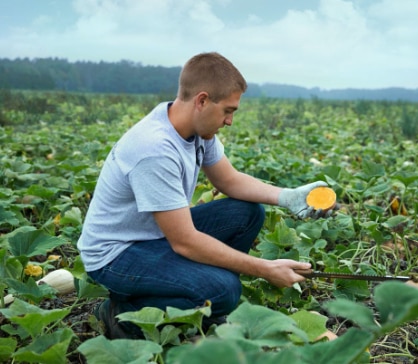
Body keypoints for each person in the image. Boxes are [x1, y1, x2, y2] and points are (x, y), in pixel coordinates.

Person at [77, 52, 330, 339]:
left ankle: (202, 302)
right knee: (225, 289)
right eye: (228, 111)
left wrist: (289, 197)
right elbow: (185, 242)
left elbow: (230, 180)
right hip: (117, 255)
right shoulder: (153, 149)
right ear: (201, 100)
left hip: (153, 235)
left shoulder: (195, 129)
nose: (230, 121)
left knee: (247, 212)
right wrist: (265, 269)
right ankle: (124, 316)